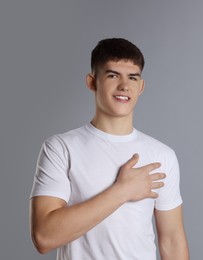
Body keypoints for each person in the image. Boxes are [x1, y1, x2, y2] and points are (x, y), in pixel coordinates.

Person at [29, 38, 189, 260]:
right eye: (113, 75)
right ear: (92, 82)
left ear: (140, 86)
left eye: (132, 77)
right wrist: (122, 190)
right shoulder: (60, 148)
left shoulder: (162, 156)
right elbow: (44, 237)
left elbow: (172, 240)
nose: (124, 86)